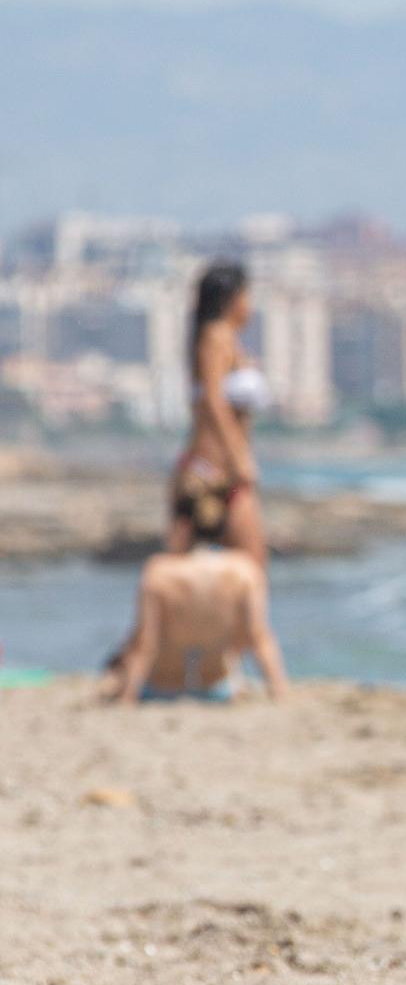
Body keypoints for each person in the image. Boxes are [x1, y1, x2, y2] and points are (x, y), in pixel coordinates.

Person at [104, 490, 287, 705]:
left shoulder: (160, 571)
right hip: (218, 689)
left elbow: (146, 643)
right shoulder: (244, 570)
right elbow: (258, 637)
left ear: (183, 526)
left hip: (162, 689)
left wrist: (127, 697)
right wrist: (278, 690)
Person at [170, 261, 272, 565]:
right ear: (234, 298)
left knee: (243, 568)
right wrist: (239, 457)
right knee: (250, 568)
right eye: (247, 296)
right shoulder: (215, 336)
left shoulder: (228, 341)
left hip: (222, 470)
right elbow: (214, 401)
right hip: (209, 471)